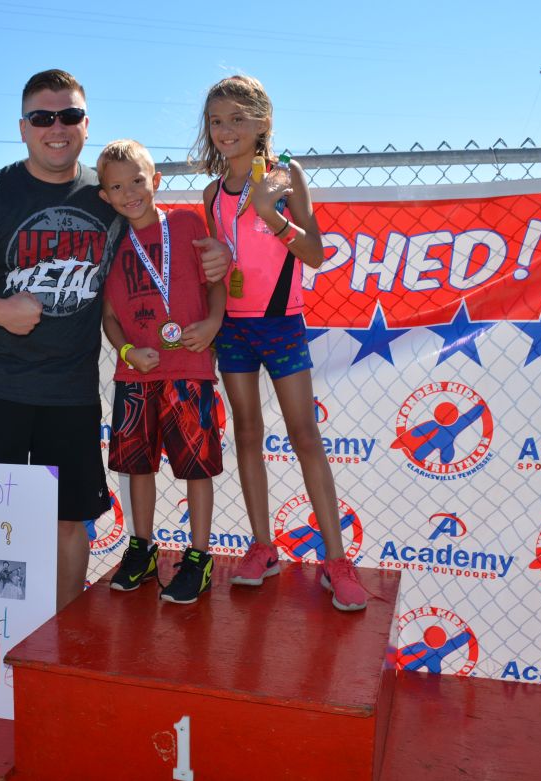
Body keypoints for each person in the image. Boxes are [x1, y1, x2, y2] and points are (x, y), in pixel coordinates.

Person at [0, 70, 230, 611]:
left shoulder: (107, 193)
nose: (56, 128)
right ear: (23, 128)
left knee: (69, 522)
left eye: (69, 115)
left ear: (86, 125)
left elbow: (164, 237)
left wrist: (219, 257)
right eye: (42, 117)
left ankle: (57, 634)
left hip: (70, 394)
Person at [193, 74, 367, 611]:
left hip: (282, 324)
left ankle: (336, 560)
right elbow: (219, 271)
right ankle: (263, 546)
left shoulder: (286, 177)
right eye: (216, 121)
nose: (225, 130)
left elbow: (315, 254)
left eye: (236, 119)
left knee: (304, 435)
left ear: (263, 122)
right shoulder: (211, 193)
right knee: (247, 433)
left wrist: (271, 215)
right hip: (234, 330)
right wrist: (215, 306)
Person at [96, 140, 226, 604]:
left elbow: (217, 282)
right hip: (136, 375)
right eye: (116, 187)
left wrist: (212, 324)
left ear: (155, 180)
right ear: (105, 196)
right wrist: (128, 351)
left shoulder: (187, 223)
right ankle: (142, 548)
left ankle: (199, 556)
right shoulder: (110, 244)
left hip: (189, 366)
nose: (129, 193)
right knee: (137, 466)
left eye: (137, 181)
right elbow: (109, 317)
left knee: (196, 467)